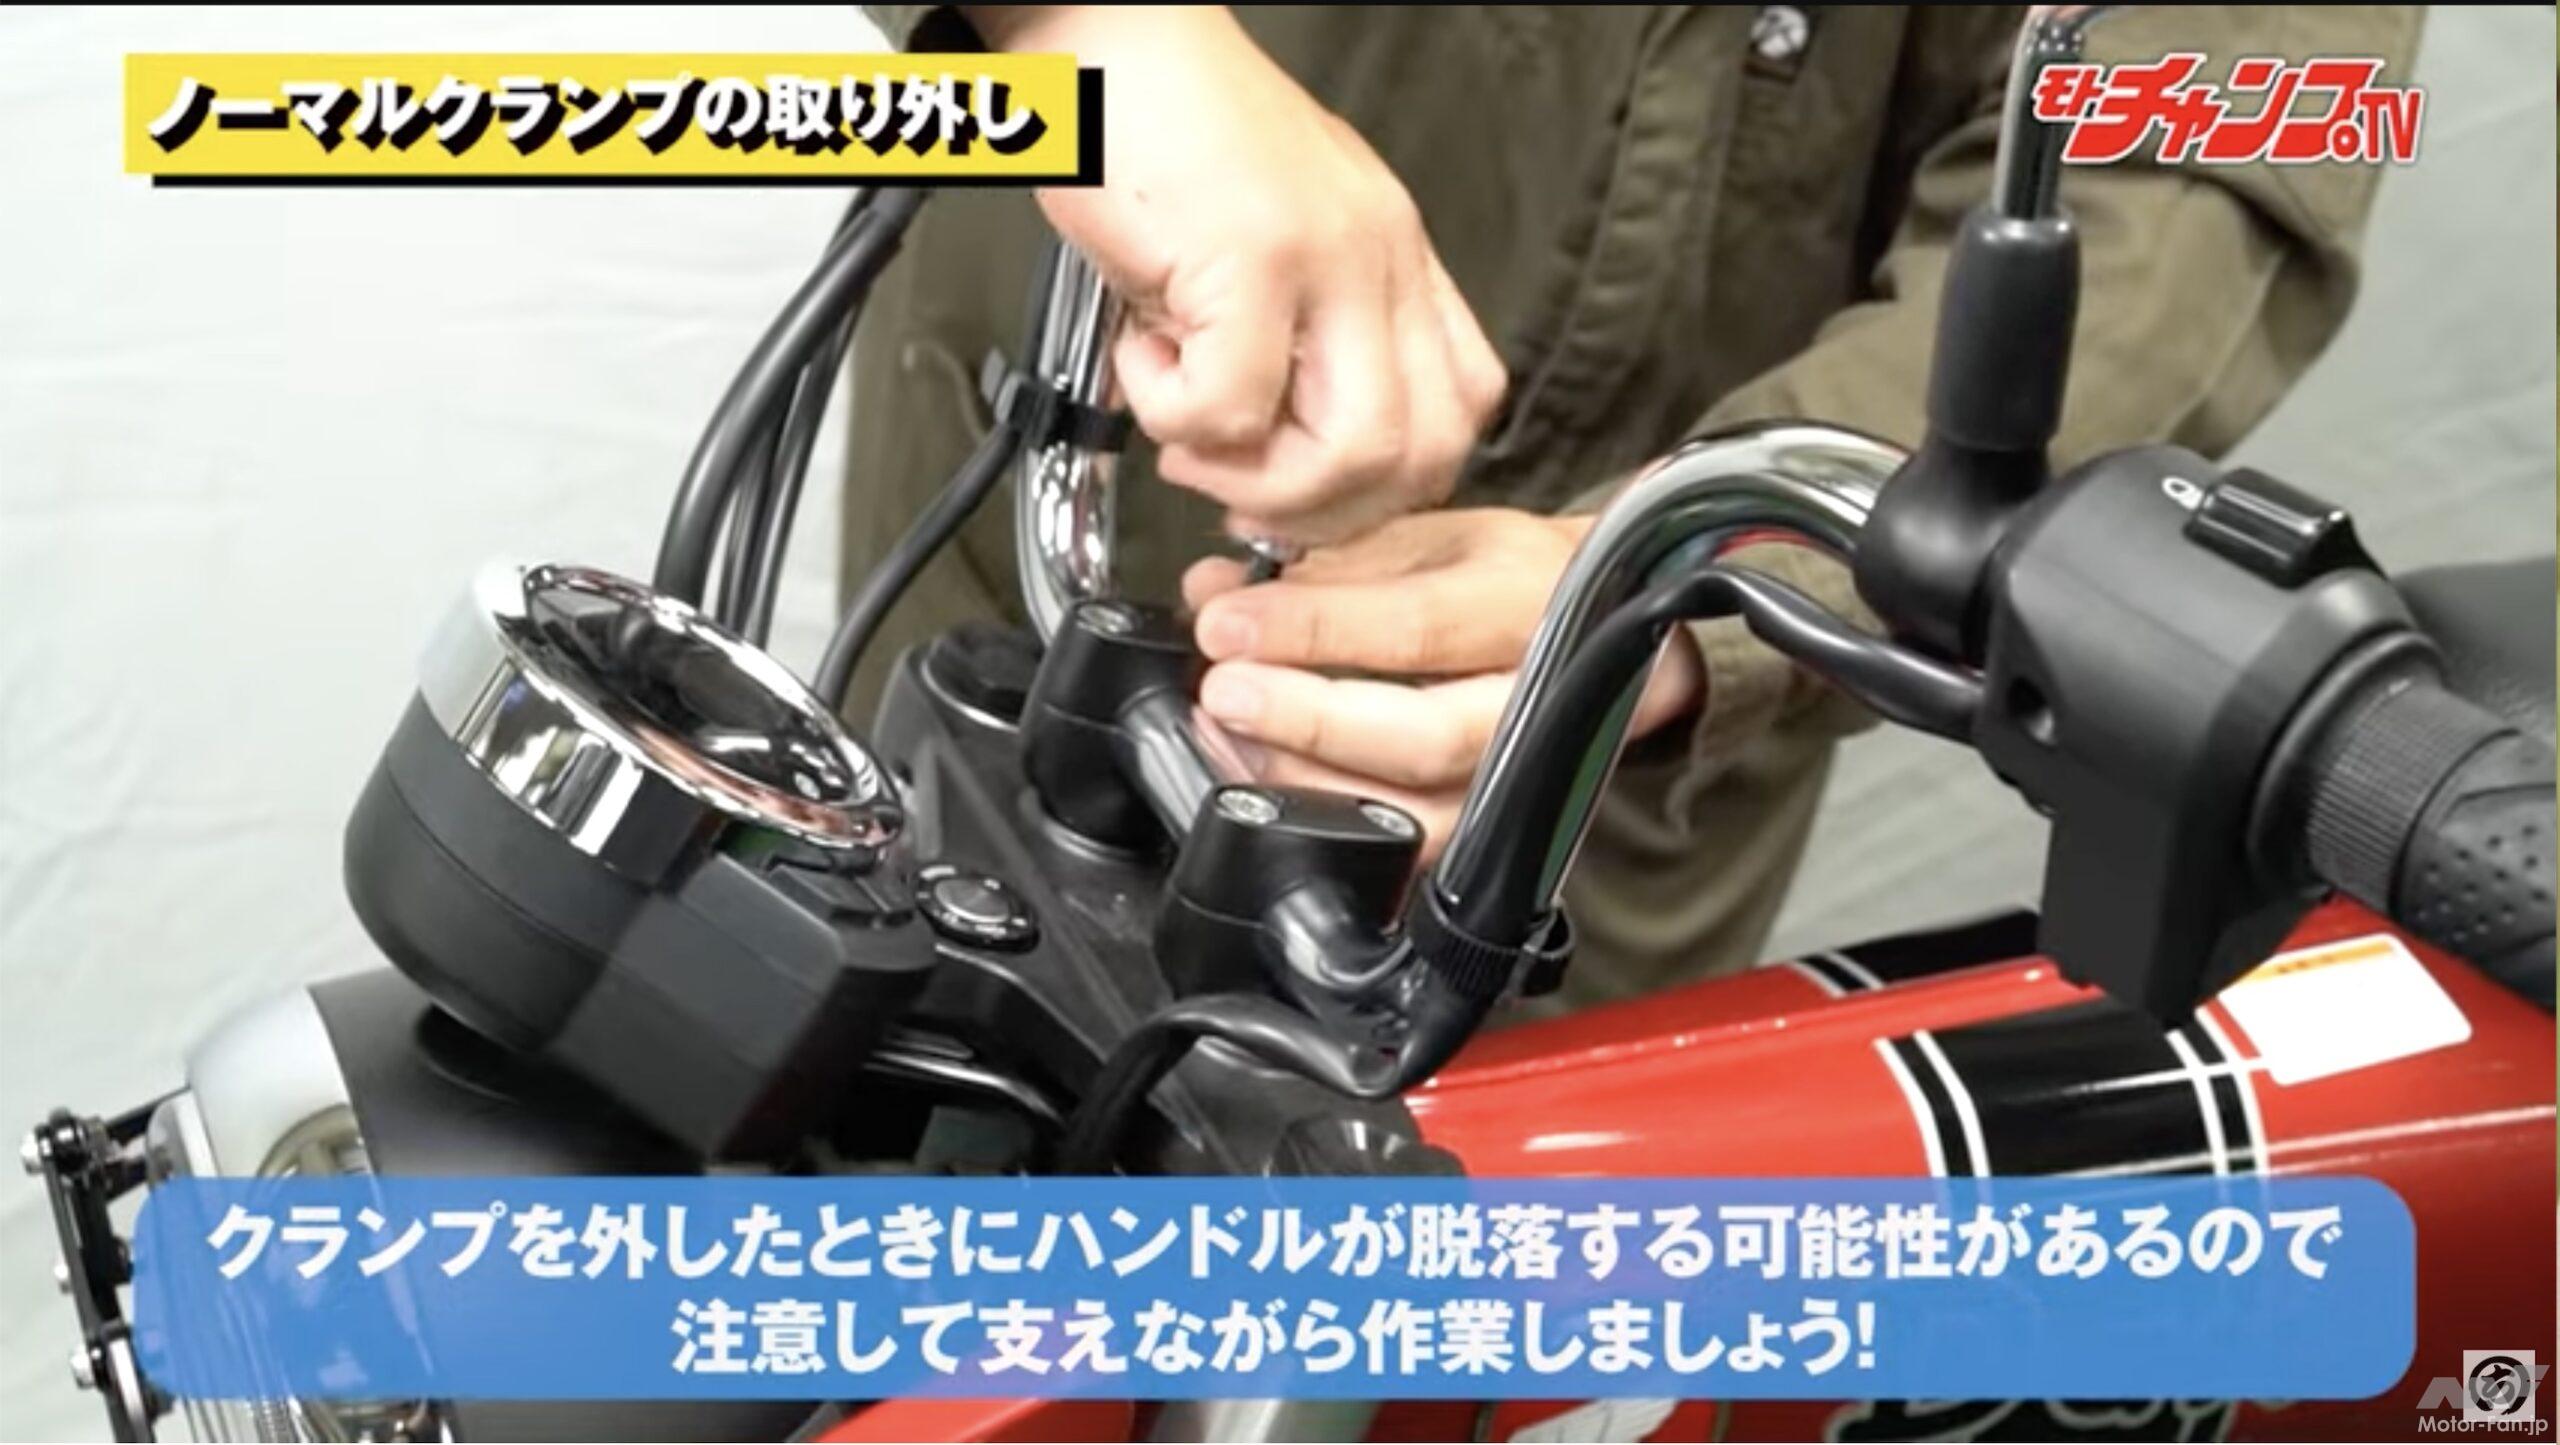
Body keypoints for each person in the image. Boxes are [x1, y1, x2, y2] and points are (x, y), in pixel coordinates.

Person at [842, 5, 2424, 1011]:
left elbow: (2206, 158)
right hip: (1012, 522)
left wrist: (1677, 602)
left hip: (1595, 792)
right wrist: (1094, 31)